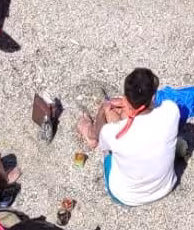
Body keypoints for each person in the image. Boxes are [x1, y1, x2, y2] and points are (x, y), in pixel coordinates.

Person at [74, 67, 182, 207]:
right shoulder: (172, 111)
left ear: (126, 98)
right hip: (166, 187)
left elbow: (103, 136)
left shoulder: (112, 133)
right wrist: (128, 108)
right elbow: (152, 110)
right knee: (124, 122)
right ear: (153, 96)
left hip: (126, 196)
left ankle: (89, 134)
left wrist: (103, 110)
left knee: (107, 120)